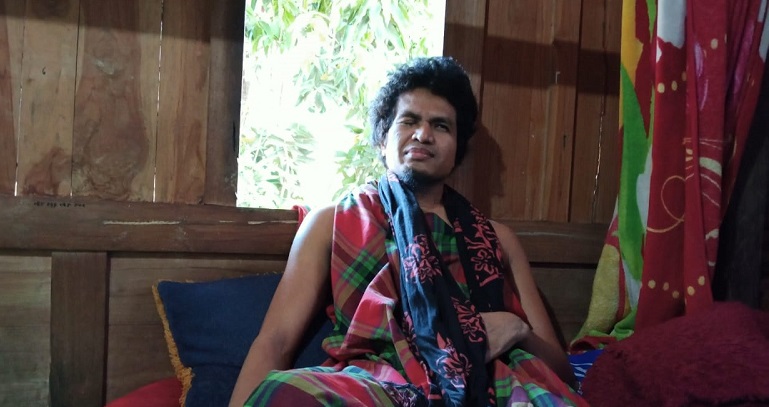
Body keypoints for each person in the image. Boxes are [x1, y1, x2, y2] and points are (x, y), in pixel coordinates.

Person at [229, 56, 586, 407]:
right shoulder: (333, 222)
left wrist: (516, 329)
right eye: (409, 120)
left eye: (441, 126)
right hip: (376, 387)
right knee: (286, 391)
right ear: (382, 139)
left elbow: (562, 373)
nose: (423, 134)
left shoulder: (495, 239)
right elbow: (275, 341)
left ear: (457, 150)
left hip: (493, 382)